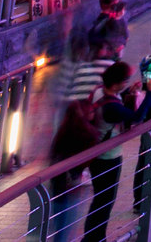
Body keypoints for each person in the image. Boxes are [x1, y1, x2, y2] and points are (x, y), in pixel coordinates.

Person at [84, 62, 138, 242]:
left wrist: (128, 90)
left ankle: (95, 237)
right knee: (104, 201)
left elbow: (116, 100)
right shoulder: (112, 107)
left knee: (100, 199)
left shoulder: (100, 91)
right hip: (108, 157)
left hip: (96, 154)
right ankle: (95, 238)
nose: (125, 84)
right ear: (117, 82)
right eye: (125, 81)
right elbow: (136, 117)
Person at [47, 92, 101, 242]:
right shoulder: (84, 135)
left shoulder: (64, 130)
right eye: (90, 111)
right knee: (65, 227)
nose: (93, 113)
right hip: (69, 188)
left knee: (61, 227)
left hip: (59, 186)